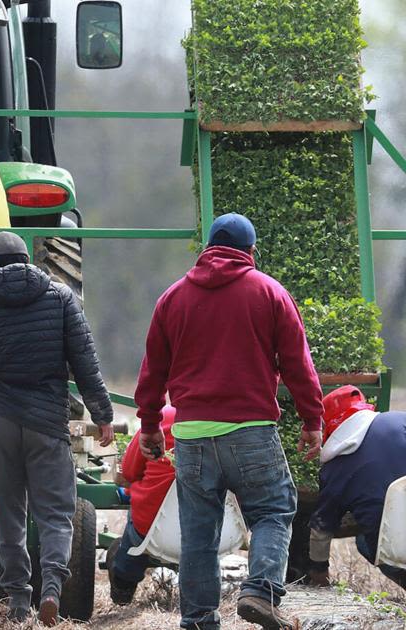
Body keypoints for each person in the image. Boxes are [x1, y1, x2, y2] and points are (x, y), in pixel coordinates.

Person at [133, 213, 324, 630]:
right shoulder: (270, 292)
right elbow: (298, 364)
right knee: (274, 509)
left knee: (198, 535)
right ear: (250, 252)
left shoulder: (173, 298)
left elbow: (152, 370)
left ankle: (198, 621)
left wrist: (149, 423)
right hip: (250, 430)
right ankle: (260, 592)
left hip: (191, 436)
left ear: (207, 250)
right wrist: (313, 418)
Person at [0, 231, 115, 626]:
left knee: (9, 515)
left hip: (3, 422)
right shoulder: (61, 301)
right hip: (47, 422)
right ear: (29, 260)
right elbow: (85, 364)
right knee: (56, 514)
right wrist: (102, 414)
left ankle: (20, 601)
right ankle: (52, 589)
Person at [307, 386, 406, 591]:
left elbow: (320, 528)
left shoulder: (334, 469)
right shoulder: (398, 421)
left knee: (364, 542)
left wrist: (319, 571)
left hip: (397, 545)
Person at [108, 405, 177, 605]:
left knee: (141, 521)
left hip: (152, 528)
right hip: (210, 528)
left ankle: (124, 584)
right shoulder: (231, 421)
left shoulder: (165, 416)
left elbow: (129, 471)